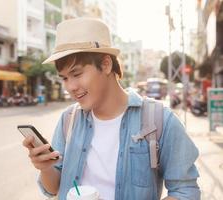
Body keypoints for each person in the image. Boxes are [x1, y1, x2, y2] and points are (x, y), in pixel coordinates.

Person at [22, 18, 200, 200]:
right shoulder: (69, 119)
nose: (70, 87)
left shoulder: (160, 120)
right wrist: (45, 168)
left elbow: (185, 191)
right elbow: (53, 188)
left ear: (106, 64)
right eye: (65, 78)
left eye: (76, 74)